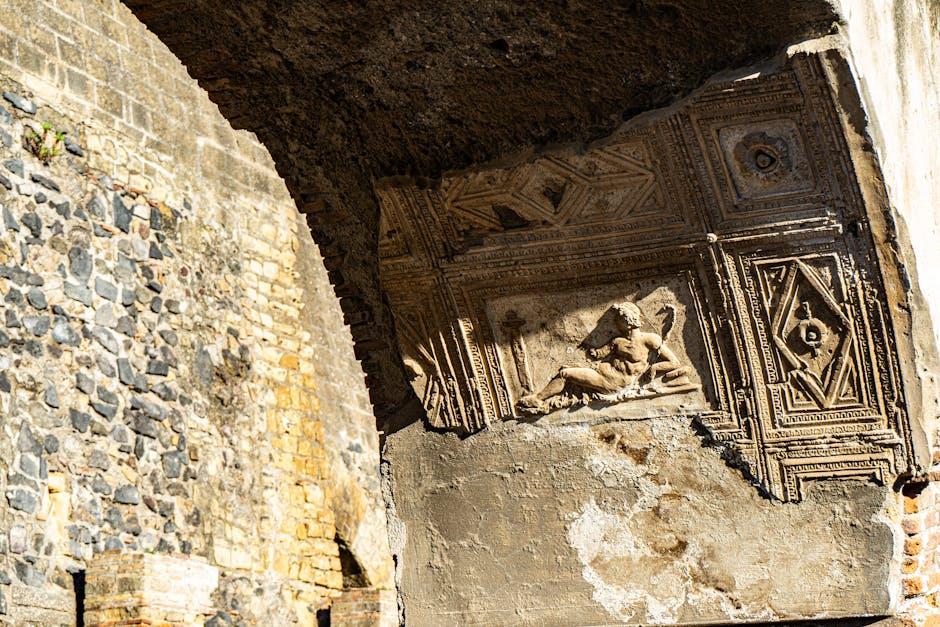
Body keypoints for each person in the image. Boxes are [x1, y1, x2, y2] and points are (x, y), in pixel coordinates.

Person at [517, 301, 690, 412]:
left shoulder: (650, 339)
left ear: (628, 320)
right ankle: (539, 399)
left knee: (566, 374)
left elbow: (673, 362)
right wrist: (588, 347)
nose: (616, 322)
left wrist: (654, 368)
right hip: (601, 372)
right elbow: (599, 354)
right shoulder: (618, 341)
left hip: (613, 382)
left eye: (618, 319)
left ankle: (538, 399)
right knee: (566, 370)